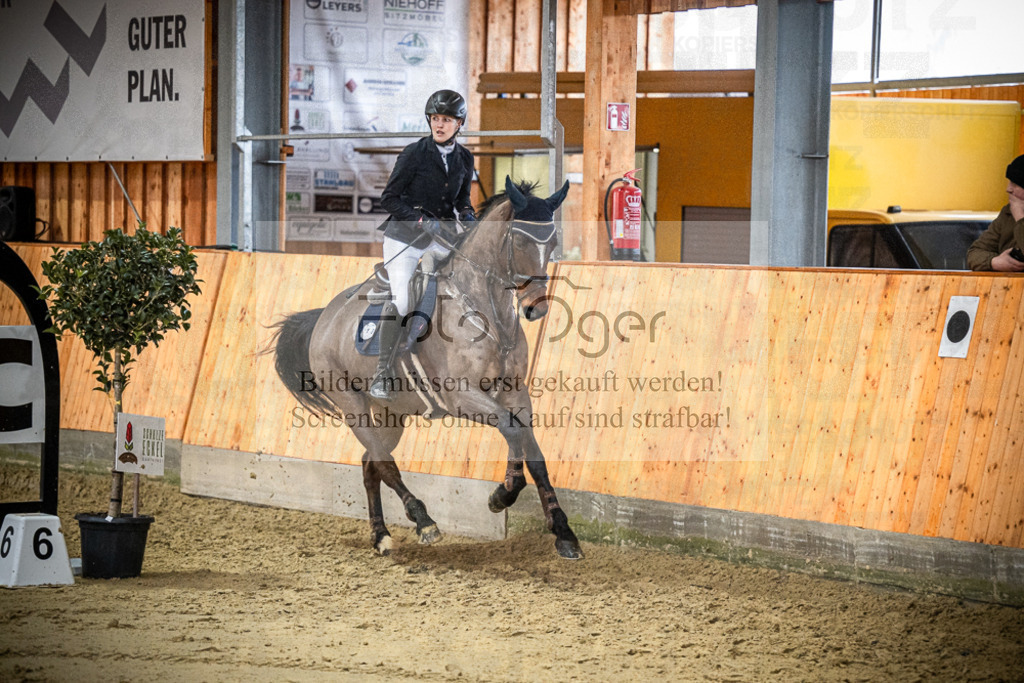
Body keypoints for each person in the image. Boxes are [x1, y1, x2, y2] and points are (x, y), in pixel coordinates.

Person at [370, 89, 477, 400]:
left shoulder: (465, 158)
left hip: (441, 239)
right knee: (403, 300)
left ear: (459, 123)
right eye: (435, 119)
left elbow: (462, 202)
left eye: (446, 119)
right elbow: (388, 199)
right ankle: (383, 372)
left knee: (464, 285)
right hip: (405, 238)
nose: (439, 125)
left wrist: (469, 217)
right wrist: (418, 220)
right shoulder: (414, 154)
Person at [967, 154, 1024, 272]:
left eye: (1015, 184)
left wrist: (1020, 218)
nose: (1008, 189)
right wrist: (994, 262)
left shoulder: (1016, 211)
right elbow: (975, 253)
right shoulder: (1008, 214)